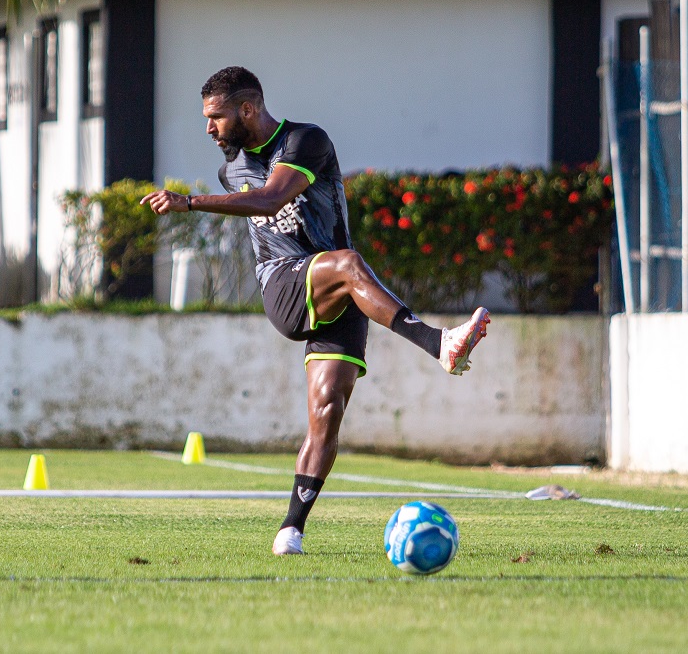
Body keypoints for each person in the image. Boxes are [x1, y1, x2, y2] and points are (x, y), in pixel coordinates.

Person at [142, 66, 490, 555]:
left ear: (248, 109)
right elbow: (263, 209)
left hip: (338, 289)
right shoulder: (230, 170)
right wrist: (195, 201)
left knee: (328, 409)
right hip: (285, 284)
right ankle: (439, 343)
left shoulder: (306, 141)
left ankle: (290, 530)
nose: (209, 128)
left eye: (216, 117)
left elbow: (272, 198)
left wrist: (188, 202)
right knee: (348, 263)